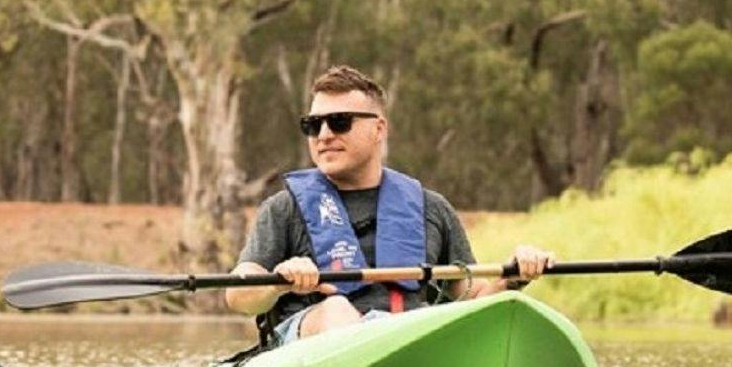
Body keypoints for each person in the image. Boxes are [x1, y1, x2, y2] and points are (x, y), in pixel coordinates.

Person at [227, 65, 553, 345]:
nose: (324, 134)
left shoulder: (432, 209)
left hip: (407, 338)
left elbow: (471, 298)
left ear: (379, 128)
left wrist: (512, 276)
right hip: (312, 342)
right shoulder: (283, 209)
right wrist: (278, 279)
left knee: (430, 323)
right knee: (337, 310)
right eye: (313, 125)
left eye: (339, 122)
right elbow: (238, 294)